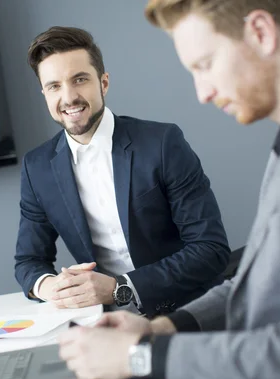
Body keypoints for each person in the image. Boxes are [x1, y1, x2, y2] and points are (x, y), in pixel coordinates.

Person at [58, 1, 280, 379]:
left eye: (205, 64)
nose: (203, 92)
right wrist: (160, 329)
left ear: (261, 32)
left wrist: (141, 355)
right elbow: (254, 284)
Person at [15, 25, 230, 318]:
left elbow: (210, 248)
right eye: (54, 86)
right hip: (107, 323)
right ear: (45, 93)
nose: (68, 97)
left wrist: (120, 288)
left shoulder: (162, 143)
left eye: (79, 79)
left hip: (184, 312)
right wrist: (49, 286)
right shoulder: (36, 168)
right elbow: (28, 260)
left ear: (104, 83)